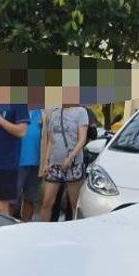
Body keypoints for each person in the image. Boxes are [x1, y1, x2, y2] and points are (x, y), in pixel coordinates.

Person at [40, 92, 91, 222]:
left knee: (74, 203)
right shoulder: (54, 114)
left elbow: (82, 139)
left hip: (73, 164)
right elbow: (51, 141)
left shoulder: (81, 112)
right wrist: (46, 162)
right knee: (46, 202)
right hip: (54, 164)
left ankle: (75, 232)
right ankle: (41, 232)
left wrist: (70, 157)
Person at [17, 107, 44, 220]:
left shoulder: (43, 114)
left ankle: (25, 225)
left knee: (29, 198)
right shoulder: (17, 110)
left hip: (36, 163)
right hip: (17, 162)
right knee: (13, 198)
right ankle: (9, 227)